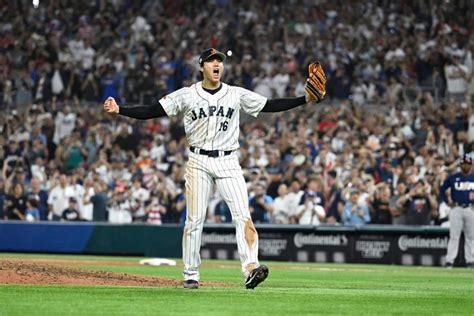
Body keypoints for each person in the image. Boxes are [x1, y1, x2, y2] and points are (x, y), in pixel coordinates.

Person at [103, 48, 326, 289]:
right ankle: (190, 273)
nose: (216, 64)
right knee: (194, 220)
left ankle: (251, 268)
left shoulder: (235, 94)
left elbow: (270, 105)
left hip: (228, 160)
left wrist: (305, 99)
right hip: (198, 160)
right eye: (211, 61)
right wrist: (120, 110)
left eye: (219, 60)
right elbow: (152, 110)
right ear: (201, 67)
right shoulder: (187, 95)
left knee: (243, 216)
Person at [440, 154, 474, 268]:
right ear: (460, 165)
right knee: (454, 236)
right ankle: (450, 261)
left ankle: (470, 261)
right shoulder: (453, 177)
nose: (466, 166)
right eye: (464, 164)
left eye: (468, 164)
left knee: (471, 236)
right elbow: (442, 190)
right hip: (457, 208)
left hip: (470, 208)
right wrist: (447, 202)